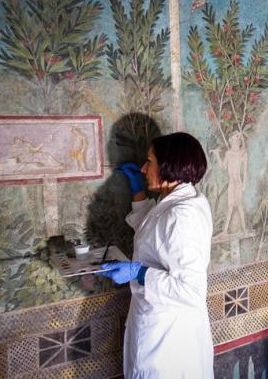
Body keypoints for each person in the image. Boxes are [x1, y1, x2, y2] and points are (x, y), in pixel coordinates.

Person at [98, 132, 214, 379]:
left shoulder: (182, 215)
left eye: (149, 161)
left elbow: (191, 291)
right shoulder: (180, 199)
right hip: (163, 327)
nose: (143, 169)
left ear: (169, 165)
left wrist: (138, 272)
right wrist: (138, 193)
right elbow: (156, 232)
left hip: (169, 340)